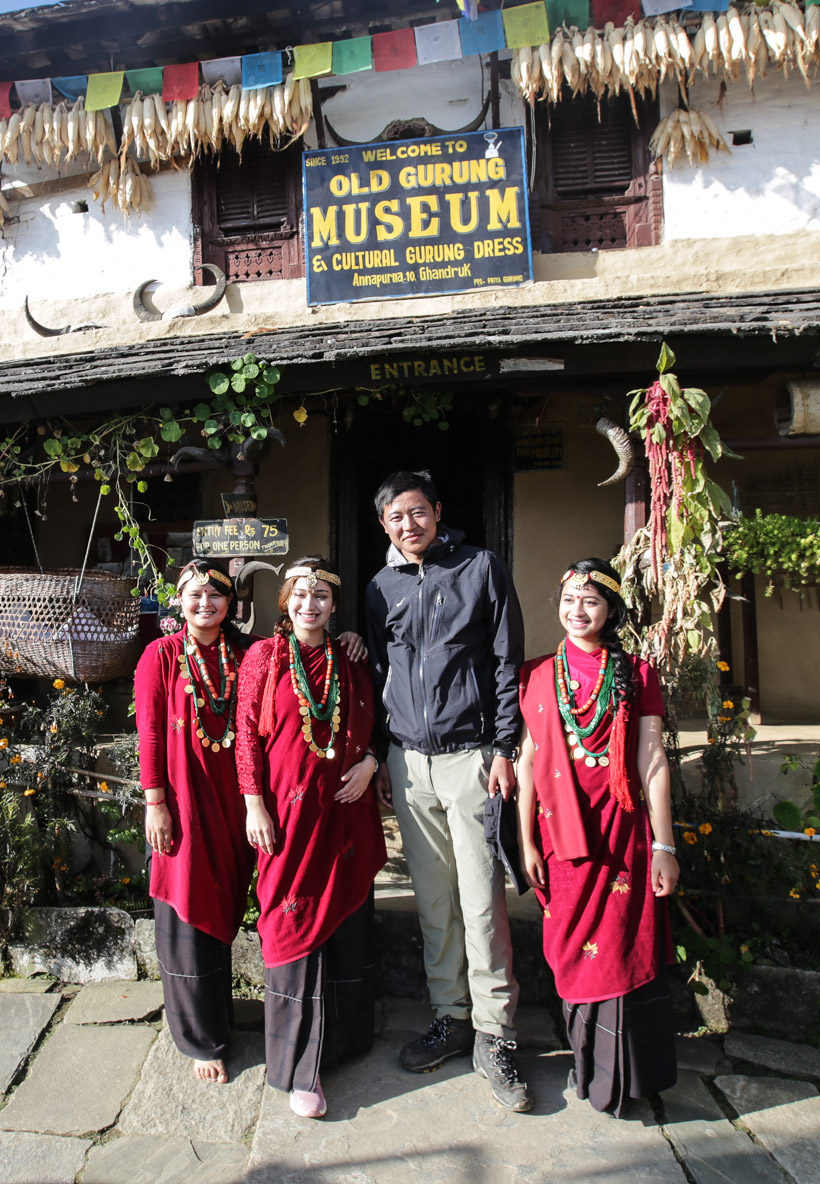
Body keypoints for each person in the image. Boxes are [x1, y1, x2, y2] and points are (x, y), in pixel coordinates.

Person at [364, 470, 531, 1113]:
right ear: (384, 526)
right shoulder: (381, 587)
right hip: (409, 764)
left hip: (471, 758)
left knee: (481, 900)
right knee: (434, 901)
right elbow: (380, 670)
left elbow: (505, 658)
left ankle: (496, 1033)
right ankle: (449, 1017)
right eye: (395, 517)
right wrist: (381, 754)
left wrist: (504, 747)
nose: (409, 524)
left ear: (437, 511)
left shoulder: (480, 567)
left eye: (417, 512)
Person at [516, 559, 678, 1117]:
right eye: (568, 601)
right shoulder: (537, 675)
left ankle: (623, 1080)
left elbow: (652, 759)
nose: (576, 611)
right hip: (561, 836)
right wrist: (527, 842)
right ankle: (587, 1069)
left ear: (610, 610)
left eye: (589, 601)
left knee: (621, 946)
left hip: (622, 832)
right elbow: (528, 763)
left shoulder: (638, 672)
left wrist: (664, 844)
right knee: (572, 949)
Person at [235, 556, 386, 1119]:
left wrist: (372, 760)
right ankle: (299, 1066)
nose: (310, 604)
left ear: (334, 604)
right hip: (286, 818)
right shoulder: (265, 657)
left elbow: (374, 721)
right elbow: (246, 737)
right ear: (285, 601)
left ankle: (342, 1047)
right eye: (300, 594)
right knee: (290, 924)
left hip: (343, 813)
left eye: (321, 595)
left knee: (345, 921)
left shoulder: (350, 659)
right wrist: (254, 804)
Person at [135, 559, 252, 1083]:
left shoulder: (245, 654)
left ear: (231, 604)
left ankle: (220, 1017)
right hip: (182, 803)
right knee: (185, 911)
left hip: (233, 805)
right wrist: (154, 801)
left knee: (223, 904)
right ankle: (198, 1038)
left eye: (216, 596)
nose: (205, 605)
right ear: (178, 601)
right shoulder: (160, 656)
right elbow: (152, 734)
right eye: (195, 595)